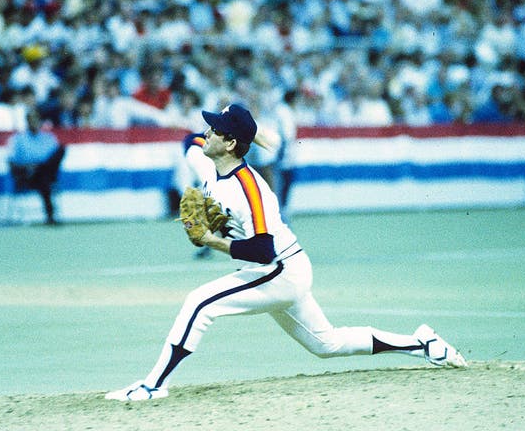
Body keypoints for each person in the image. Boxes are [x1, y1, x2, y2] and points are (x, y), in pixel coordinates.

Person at [105, 103, 467, 402]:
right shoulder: (206, 161)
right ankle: (423, 344)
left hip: (280, 271)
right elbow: (188, 139)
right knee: (327, 344)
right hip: (271, 270)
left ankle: (153, 385)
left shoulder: (251, 189)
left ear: (230, 143)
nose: (206, 133)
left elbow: (263, 250)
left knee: (200, 303)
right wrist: (256, 131)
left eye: (215, 130)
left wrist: (213, 241)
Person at [6, 109, 66, 225]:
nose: (34, 122)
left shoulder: (48, 138)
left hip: (46, 173)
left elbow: (55, 160)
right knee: (44, 178)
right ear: (27, 122)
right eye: (31, 120)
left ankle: (42, 169)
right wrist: (28, 167)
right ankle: (50, 216)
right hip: (27, 175)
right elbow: (12, 163)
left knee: (60, 151)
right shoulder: (18, 139)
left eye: (36, 120)